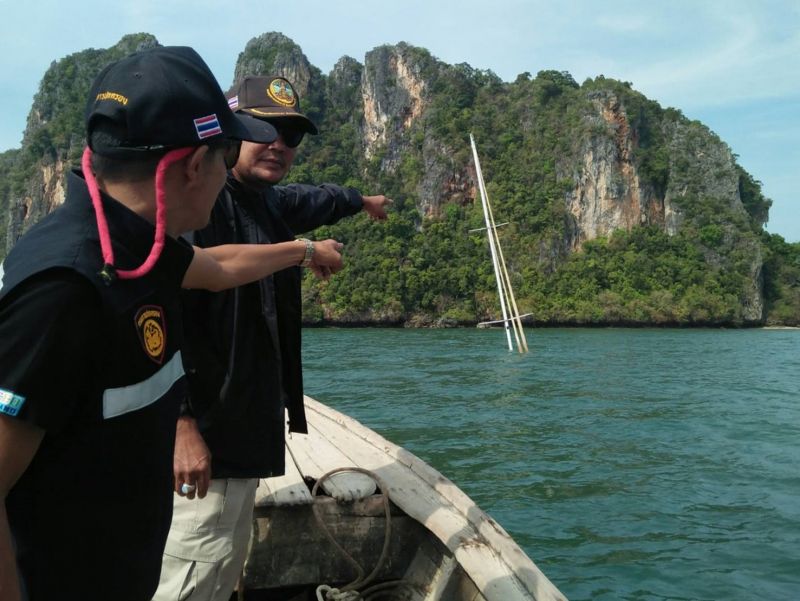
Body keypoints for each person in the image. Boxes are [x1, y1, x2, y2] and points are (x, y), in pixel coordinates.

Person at [0, 49, 346, 601]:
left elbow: (221, 267)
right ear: (192, 166)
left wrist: (303, 251)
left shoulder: (139, 244)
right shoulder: (65, 287)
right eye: (224, 152)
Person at [153, 76, 392, 601]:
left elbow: (319, 198)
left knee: (220, 568)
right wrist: (181, 423)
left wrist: (364, 200)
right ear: (229, 133)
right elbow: (158, 315)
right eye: (264, 130)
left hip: (245, 437)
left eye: (291, 136)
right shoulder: (202, 208)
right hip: (202, 444)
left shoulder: (267, 205)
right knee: (186, 576)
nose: (279, 144)